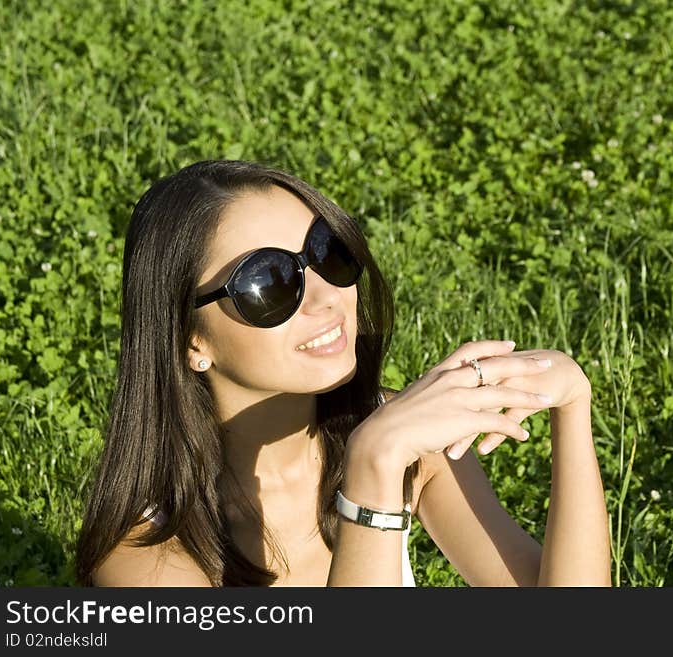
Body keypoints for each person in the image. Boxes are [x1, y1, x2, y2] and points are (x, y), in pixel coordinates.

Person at [74, 159, 610, 587]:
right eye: (268, 282)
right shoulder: (144, 552)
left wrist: (572, 402)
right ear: (190, 339)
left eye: (326, 253)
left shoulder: (400, 440)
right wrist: (373, 473)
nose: (328, 298)